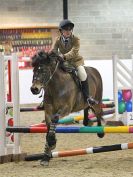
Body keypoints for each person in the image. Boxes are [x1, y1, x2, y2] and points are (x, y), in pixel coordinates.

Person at [50, 19, 98, 105]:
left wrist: (63, 56)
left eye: (70, 29)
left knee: (82, 74)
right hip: (63, 62)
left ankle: (87, 97)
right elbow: (54, 50)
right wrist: (52, 55)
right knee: (52, 73)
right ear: (61, 31)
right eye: (66, 29)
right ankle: (48, 99)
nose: (68, 31)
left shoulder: (76, 39)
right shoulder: (57, 40)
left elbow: (74, 51)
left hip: (75, 62)